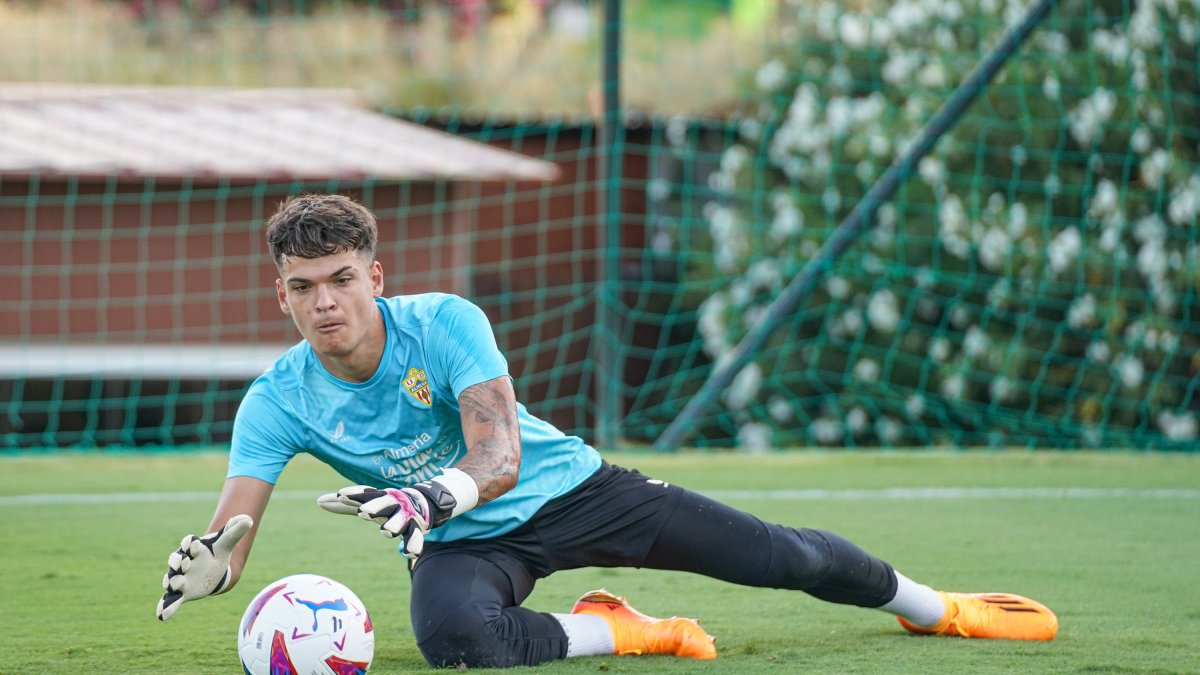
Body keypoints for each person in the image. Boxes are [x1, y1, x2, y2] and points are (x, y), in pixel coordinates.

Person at [156, 193, 1058, 668]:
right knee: (457, 644)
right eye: (304, 286)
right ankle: (623, 631)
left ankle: (937, 608)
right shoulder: (275, 400)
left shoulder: (445, 322)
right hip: (468, 544)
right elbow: (235, 526)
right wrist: (216, 565)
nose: (325, 302)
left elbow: (499, 453)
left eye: (341, 279)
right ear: (281, 293)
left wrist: (429, 494)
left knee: (784, 557)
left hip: (576, 492)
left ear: (375, 276)